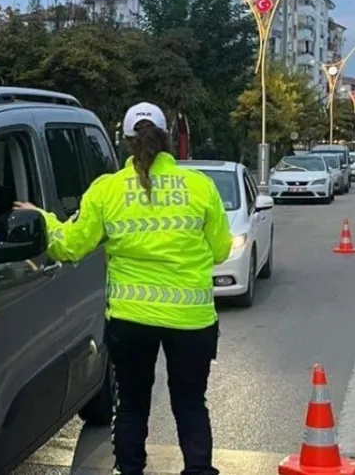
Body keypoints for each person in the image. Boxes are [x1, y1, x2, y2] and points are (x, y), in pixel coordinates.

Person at [14, 102, 232, 475]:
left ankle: (130, 471)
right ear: (166, 140)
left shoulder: (107, 190)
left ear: (126, 141)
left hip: (131, 321)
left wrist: (41, 219)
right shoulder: (200, 186)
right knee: (191, 404)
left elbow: (71, 246)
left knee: (131, 405)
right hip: (192, 320)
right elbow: (221, 249)